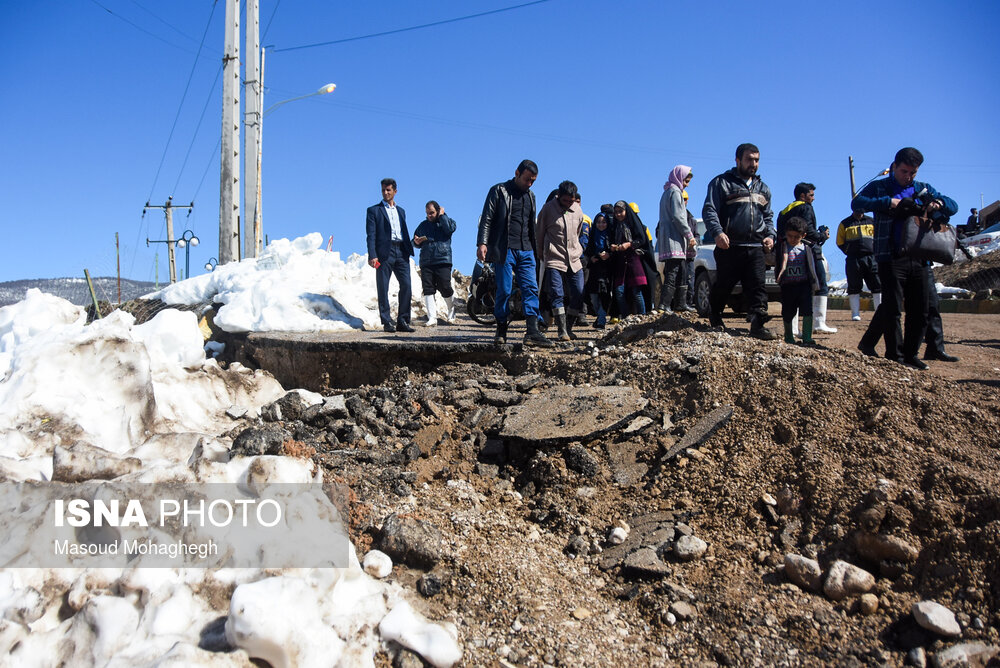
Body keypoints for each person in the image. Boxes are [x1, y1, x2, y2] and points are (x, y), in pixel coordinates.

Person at [853, 147, 958, 369]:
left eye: (913, 172)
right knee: (892, 309)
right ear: (895, 167)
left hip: (920, 257)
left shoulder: (923, 189)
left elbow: (952, 204)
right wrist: (889, 202)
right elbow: (857, 203)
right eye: (904, 171)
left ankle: (911, 354)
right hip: (889, 255)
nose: (908, 176)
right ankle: (896, 356)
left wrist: (937, 204)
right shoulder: (880, 186)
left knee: (921, 308)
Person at [702, 143, 777, 340]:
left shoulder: (763, 188)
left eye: (757, 160)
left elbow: (768, 217)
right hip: (730, 247)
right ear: (737, 160)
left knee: (757, 287)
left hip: (755, 248)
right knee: (724, 285)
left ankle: (758, 324)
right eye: (749, 159)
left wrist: (770, 236)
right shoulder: (721, 183)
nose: (753, 163)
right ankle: (715, 315)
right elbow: (710, 210)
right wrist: (717, 233)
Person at [476, 159, 553, 347]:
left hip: (526, 250)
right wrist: (482, 243)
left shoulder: (531, 196)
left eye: (533, 181)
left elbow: (530, 224)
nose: (530, 184)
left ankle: (532, 331)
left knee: (531, 288)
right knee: (504, 289)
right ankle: (501, 328)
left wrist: (536, 249)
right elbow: (487, 217)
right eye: (527, 179)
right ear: (517, 173)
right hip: (504, 248)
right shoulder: (499, 191)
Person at [776, 183, 836, 333]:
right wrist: (822, 236)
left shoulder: (785, 210)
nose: (813, 198)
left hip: (786, 252)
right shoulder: (805, 207)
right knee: (820, 282)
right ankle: (819, 323)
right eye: (811, 195)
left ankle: (793, 329)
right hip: (808, 251)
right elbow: (808, 229)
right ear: (802, 196)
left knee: (791, 291)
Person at [536, 180, 585, 341]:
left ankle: (569, 327)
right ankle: (562, 330)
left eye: (571, 201)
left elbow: (577, 233)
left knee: (578, 292)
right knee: (557, 294)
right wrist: (541, 253)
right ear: (559, 196)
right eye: (565, 201)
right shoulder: (548, 209)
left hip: (574, 258)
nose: (568, 204)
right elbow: (540, 233)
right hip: (554, 258)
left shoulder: (577, 210)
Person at [366, 178, 414, 333]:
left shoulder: (401, 211)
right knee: (383, 287)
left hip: (401, 251)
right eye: (383, 190)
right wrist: (372, 255)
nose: (385, 193)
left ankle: (403, 321)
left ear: (395, 191)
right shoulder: (374, 211)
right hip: (384, 253)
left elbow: (403, 231)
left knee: (406, 285)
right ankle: (386, 321)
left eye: (388, 190)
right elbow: (371, 235)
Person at [657, 165, 698, 313]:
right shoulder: (674, 192)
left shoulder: (667, 192)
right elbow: (679, 217)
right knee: (673, 271)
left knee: (681, 270)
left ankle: (681, 303)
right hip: (673, 239)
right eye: (685, 181)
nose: (686, 185)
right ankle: (665, 304)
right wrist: (689, 235)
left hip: (672, 238)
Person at [412, 201, 457, 326]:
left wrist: (443, 216)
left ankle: (451, 310)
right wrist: (416, 242)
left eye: (432, 213)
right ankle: (432, 318)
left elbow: (449, 229)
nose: (429, 215)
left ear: (438, 211)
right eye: (427, 213)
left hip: (443, 260)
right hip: (426, 261)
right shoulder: (423, 225)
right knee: (428, 289)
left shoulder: (447, 221)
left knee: (445, 286)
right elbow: (414, 242)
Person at [776, 217, 819, 345]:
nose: (793, 239)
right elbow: (771, 257)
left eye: (796, 237)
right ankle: (789, 336)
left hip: (804, 285)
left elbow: (812, 266)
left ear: (803, 235)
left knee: (807, 310)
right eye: (790, 236)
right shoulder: (782, 247)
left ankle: (807, 337)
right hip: (788, 286)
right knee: (788, 311)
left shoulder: (807, 248)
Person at [835, 210, 881, 321]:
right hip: (853, 258)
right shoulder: (845, 223)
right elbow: (840, 242)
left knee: (877, 284)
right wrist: (848, 251)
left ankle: (879, 312)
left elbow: (878, 236)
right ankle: (855, 313)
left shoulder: (871, 221)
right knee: (854, 285)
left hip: (872, 257)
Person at [610, 200, 650, 318]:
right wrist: (613, 247)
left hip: (634, 261)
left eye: (620, 211)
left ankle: (642, 317)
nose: (618, 215)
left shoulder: (634, 225)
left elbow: (642, 240)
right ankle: (626, 317)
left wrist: (629, 244)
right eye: (616, 212)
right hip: (621, 263)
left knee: (636, 291)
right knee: (619, 292)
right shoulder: (615, 226)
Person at [922, 265, 960, 362]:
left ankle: (935, 349)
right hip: (900, 263)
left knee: (933, 305)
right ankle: (903, 352)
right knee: (891, 307)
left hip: (923, 264)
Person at [584, 212, 612, 328]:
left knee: (604, 295)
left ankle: (601, 320)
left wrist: (609, 254)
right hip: (594, 270)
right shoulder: (592, 235)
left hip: (606, 270)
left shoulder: (611, 235)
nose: (601, 225)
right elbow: (587, 251)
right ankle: (599, 316)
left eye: (604, 222)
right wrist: (591, 258)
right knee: (594, 296)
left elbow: (614, 251)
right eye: (598, 222)